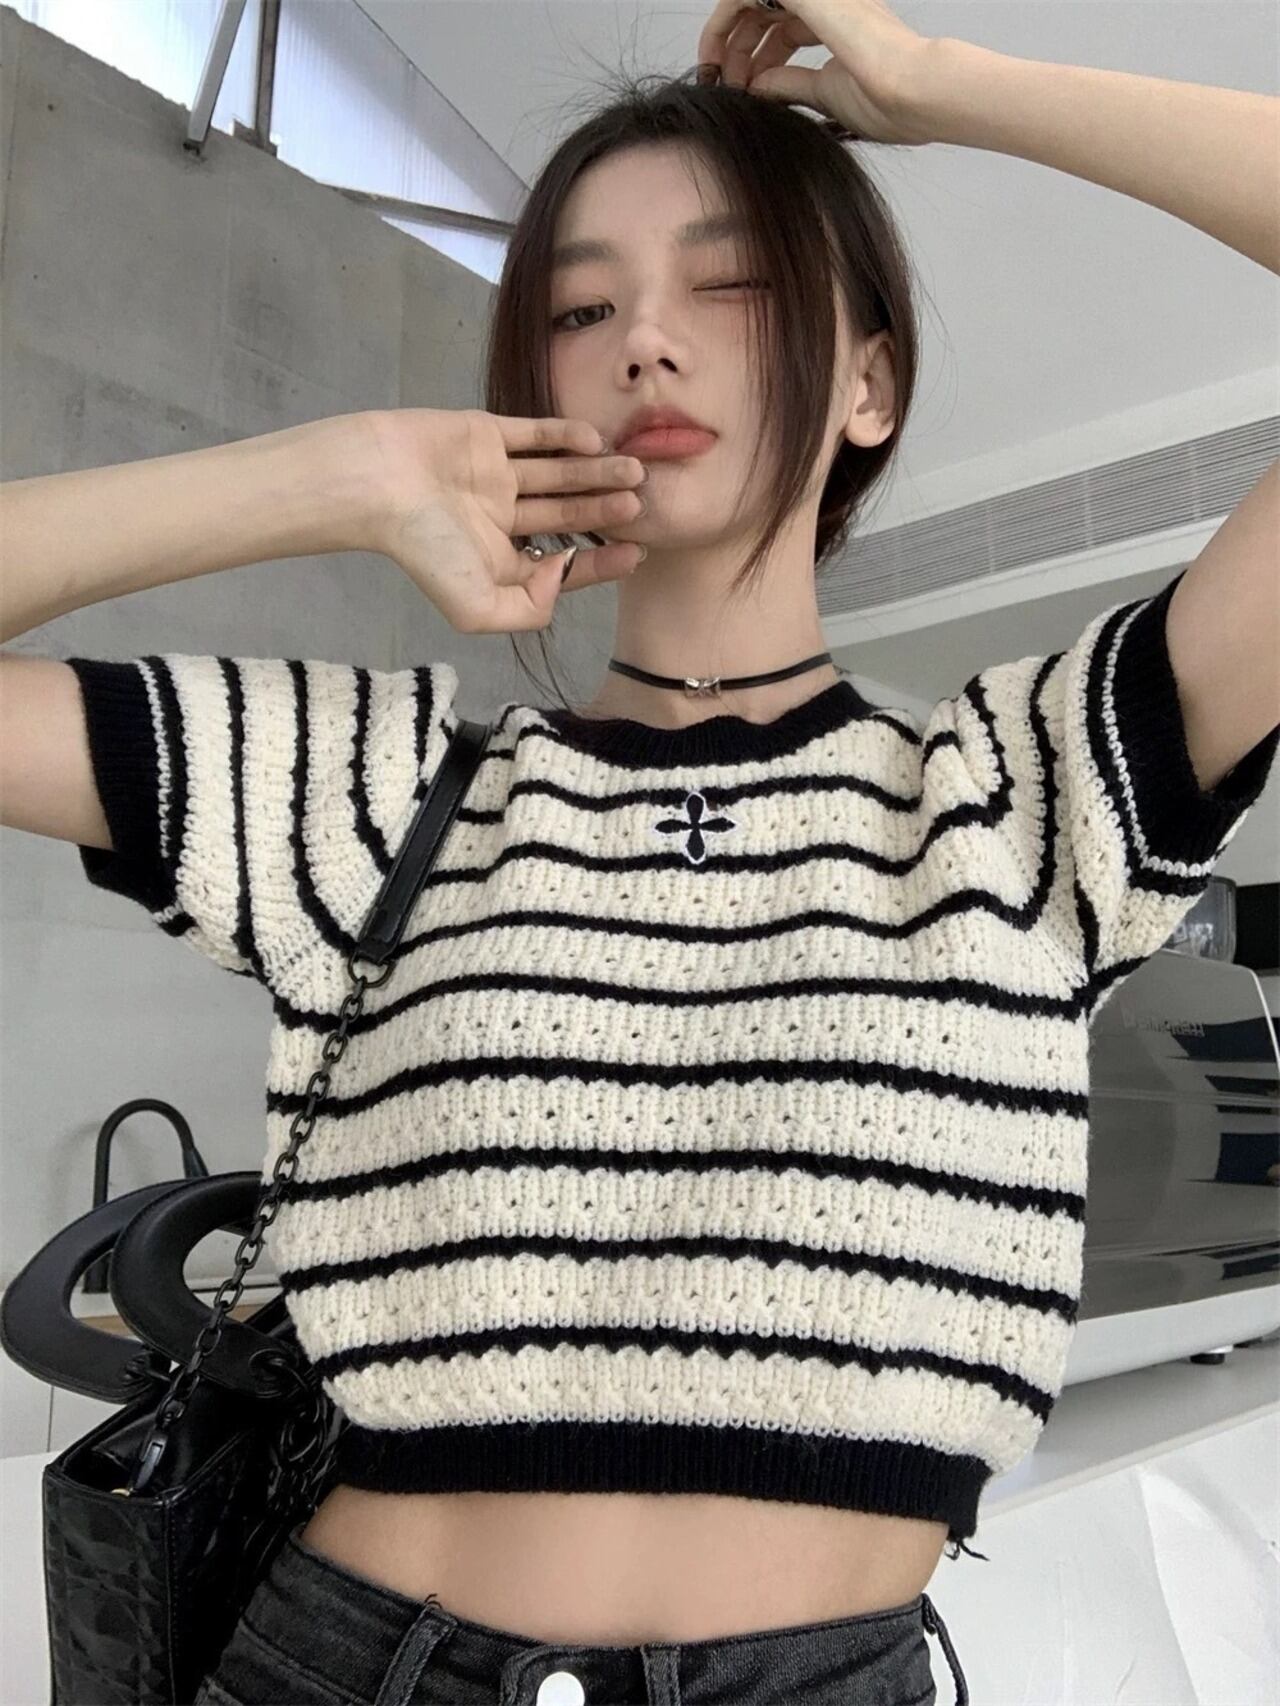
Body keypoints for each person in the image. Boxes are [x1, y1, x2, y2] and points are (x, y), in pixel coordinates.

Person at [2, 2, 1276, 1701]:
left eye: (729, 285)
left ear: (872, 382)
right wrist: (332, 475)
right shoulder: (371, 791)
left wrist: (952, 87)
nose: (646, 344)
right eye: (580, 308)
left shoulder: (1024, 797)